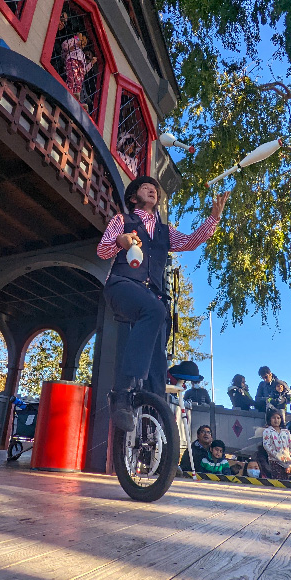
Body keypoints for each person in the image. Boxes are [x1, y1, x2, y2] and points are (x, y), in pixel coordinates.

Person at [96, 176, 228, 431]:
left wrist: (214, 218)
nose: (152, 190)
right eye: (146, 188)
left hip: (153, 296)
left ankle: (150, 434)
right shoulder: (122, 220)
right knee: (154, 309)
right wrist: (119, 241)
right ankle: (121, 391)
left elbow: (189, 242)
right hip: (122, 286)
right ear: (134, 198)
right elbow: (102, 251)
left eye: (155, 188)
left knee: (158, 369)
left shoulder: (164, 231)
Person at [61, 32, 97, 108]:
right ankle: (69, 93)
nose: (82, 43)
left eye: (84, 43)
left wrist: (91, 63)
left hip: (80, 68)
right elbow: (64, 46)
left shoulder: (82, 55)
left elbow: (84, 70)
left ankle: (77, 101)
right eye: (82, 40)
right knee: (72, 78)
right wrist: (76, 38)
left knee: (78, 84)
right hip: (72, 61)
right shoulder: (73, 46)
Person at [262, 408, 291, 479]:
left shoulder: (286, 432)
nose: (276, 420)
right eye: (274, 418)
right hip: (275, 461)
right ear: (269, 419)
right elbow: (266, 445)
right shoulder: (267, 431)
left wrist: (290, 456)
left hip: (287, 461)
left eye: (278, 418)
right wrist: (276, 455)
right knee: (278, 479)